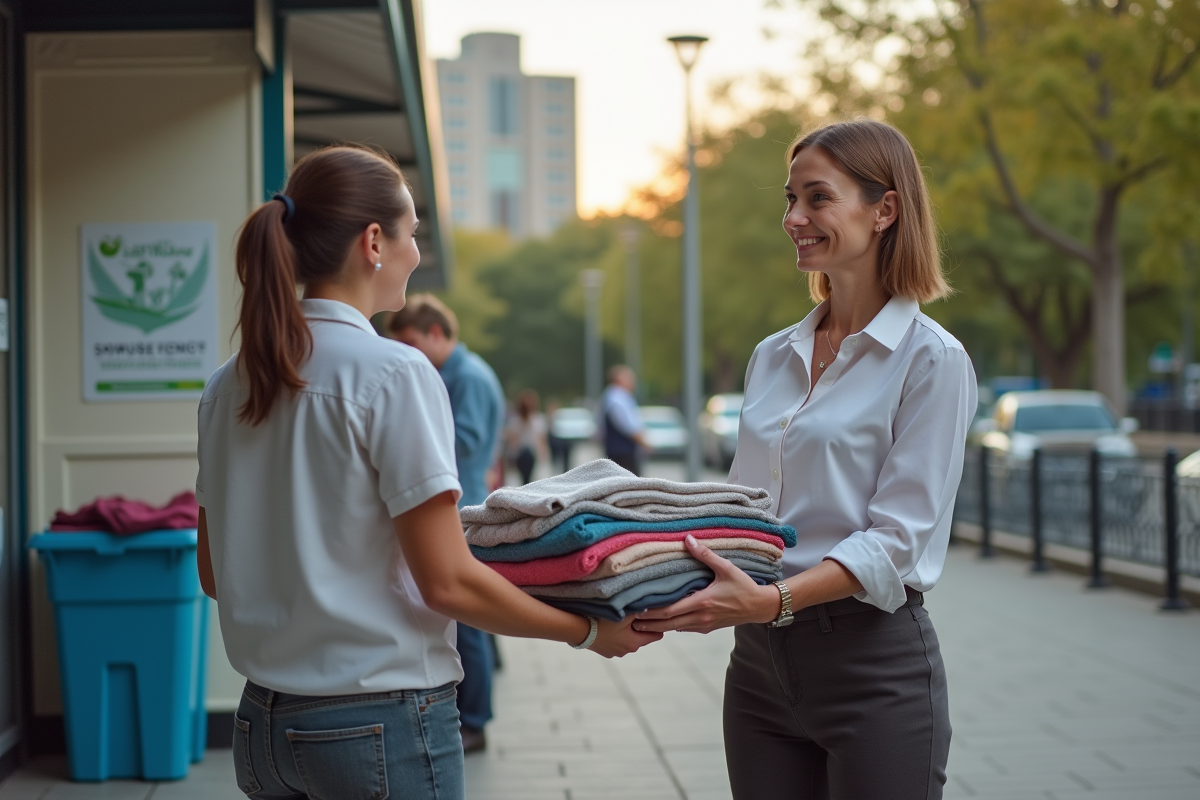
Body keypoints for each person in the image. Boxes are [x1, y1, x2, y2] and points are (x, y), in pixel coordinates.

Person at [195, 145, 660, 800]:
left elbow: (214, 574)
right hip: (378, 723)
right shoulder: (396, 373)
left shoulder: (225, 386)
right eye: (413, 233)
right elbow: (445, 581)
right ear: (374, 241)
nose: (417, 252)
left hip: (262, 730)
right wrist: (587, 632)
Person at [635, 120, 977, 799]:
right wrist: (645, 575)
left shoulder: (932, 361)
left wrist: (771, 600)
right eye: (790, 200)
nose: (794, 218)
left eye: (817, 198)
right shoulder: (774, 355)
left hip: (871, 665)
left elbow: (897, 542)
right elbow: (748, 509)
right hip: (759, 668)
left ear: (885, 209)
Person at [388, 293, 505, 754]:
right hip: (458, 507)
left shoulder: (467, 378)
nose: (409, 355)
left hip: (460, 511)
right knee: (467, 619)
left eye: (413, 343)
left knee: (467, 621)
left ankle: (474, 721)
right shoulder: (457, 373)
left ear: (437, 334)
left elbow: (464, 444)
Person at [600, 365, 647, 475]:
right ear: (619, 379)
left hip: (616, 449)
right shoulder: (618, 398)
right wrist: (644, 442)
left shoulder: (610, 395)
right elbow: (628, 426)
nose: (633, 382)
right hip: (622, 451)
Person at [505, 389, 548, 484]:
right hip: (521, 453)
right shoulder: (516, 420)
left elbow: (541, 438)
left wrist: (542, 453)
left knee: (529, 478)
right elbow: (513, 438)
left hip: (531, 452)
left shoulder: (537, 419)